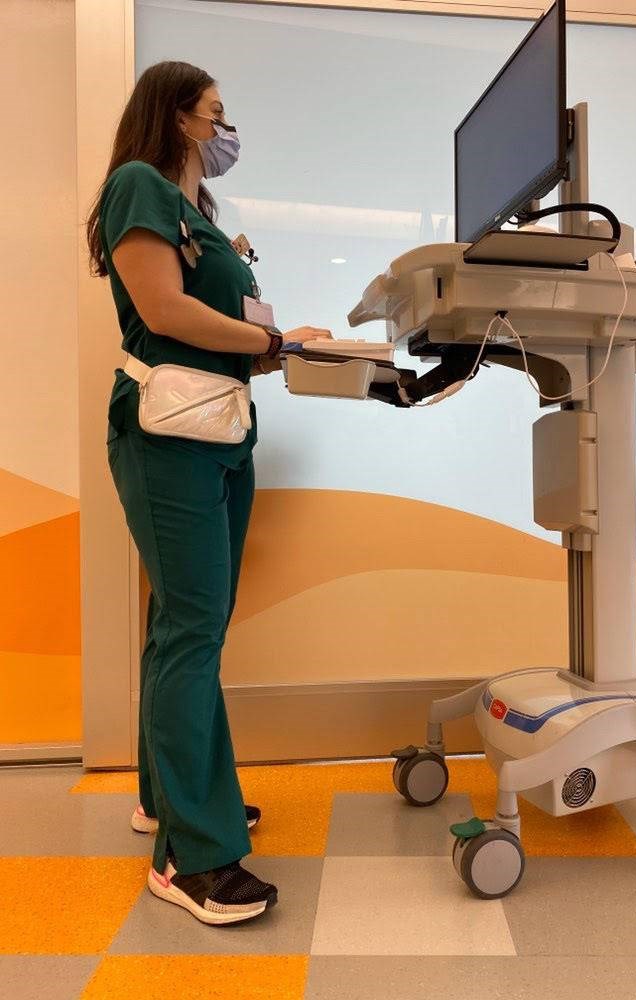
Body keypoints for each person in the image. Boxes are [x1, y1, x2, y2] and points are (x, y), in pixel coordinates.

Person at [85, 60, 333, 926]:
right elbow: (164, 311)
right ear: (179, 115)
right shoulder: (137, 186)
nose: (228, 131)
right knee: (192, 630)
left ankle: (168, 798)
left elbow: (224, 318)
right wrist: (266, 343)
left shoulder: (203, 218)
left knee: (184, 626)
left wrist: (277, 343)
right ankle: (193, 856)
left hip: (220, 432)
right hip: (167, 438)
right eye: (217, 114)